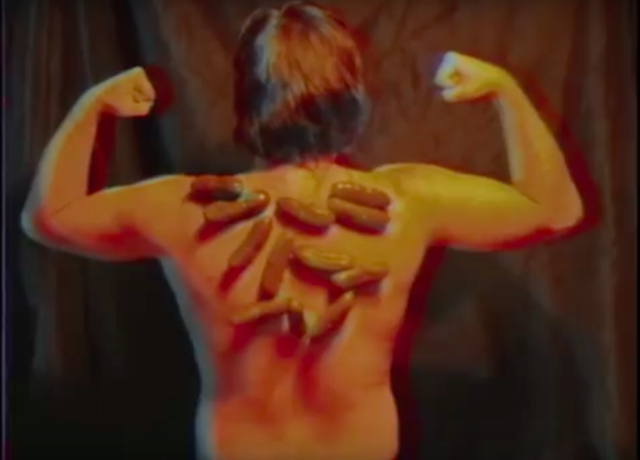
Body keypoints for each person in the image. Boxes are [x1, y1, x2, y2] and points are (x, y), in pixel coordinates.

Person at [21, 2, 583, 460]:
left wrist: (94, 106)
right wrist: (506, 91)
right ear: (350, 98)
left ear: (247, 98)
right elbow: (555, 209)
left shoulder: (184, 207)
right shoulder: (408, 201)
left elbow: (49, 216)